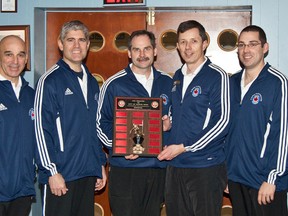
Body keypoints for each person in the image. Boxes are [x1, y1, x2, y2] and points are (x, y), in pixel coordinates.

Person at [96, 30, 173, 216]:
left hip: (158, 169)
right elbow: (100, 124)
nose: (142, 55)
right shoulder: (114, 84)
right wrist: (121, 146)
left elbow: (177, 117)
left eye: (146, 48)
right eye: (136, 49)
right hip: (126, 170)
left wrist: (169, 124)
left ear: (155, 51)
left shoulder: (168, 82)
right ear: (129, 53)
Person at [34, 20, 107, 216]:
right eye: (71, 40)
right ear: (60, 44)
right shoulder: (49, 81)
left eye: (82, 40)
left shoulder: (92, 82)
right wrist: (51, 172)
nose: (77, 46)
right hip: (61, 175)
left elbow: (94, 127)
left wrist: (99, 164)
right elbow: (41, 130)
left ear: (88, 45)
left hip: (87, 173)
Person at [157, 20, 230, 216]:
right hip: (175, 166)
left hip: (204, 166)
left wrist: (184, 147)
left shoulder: (217, 76)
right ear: (178, 46)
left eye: (193, 41)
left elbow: (222, 122)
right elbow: (176, 112)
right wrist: (168, 125)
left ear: (204, 43)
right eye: (182, 42)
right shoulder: (177, 76)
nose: (188, 48)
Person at [225, 25, 288, 216]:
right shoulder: (231, 83)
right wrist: (226, 173)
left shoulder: (278, 82)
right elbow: (227, 131)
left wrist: (273, 178)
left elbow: (283, 134)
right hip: (236, 179)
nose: (246, 50)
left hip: (265, 183)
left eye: (253, 44)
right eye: (242, 45)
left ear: (265, 47)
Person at [0, 35, 36, 216]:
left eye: (20, 55)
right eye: (8, 54)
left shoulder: (32, 95)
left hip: (23, 190)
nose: (15, 61)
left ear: (26, 59)